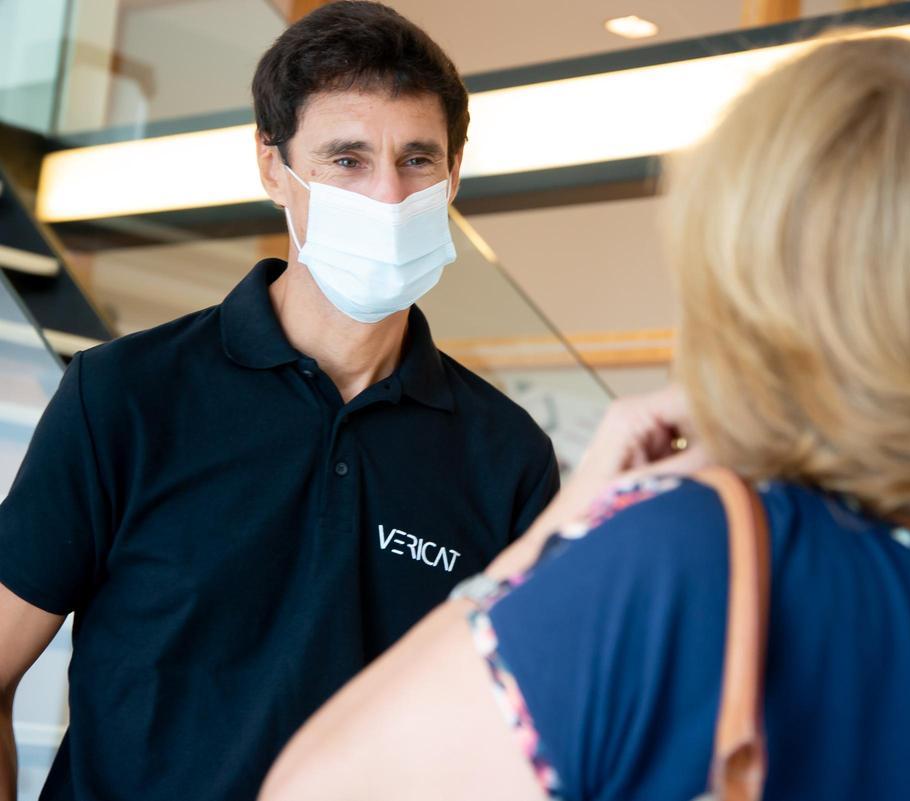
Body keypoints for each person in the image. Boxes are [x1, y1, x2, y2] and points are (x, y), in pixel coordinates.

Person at [259, 34, 910, 801]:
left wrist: (548, 545)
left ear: (754, 281)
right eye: (349, 160)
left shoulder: (687, 558)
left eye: (416, 160)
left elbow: (314, 787)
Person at [0, 3, 558, 799]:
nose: (388, 195)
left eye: (418, 159)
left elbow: (510, 738)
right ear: (272, 168)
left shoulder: (505, 457)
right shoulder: (123, 397)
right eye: (347, 159)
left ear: (454, 173)